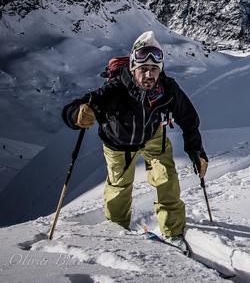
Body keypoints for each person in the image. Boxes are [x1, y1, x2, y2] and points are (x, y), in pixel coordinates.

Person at [61, 31, 208, 249]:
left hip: (152, 137)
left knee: (167, 179)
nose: (149, 75)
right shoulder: (116, 89)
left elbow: (188, 119)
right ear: (132, 67)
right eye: (144, 69)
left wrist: (196, 151)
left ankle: (173, 232)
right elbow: (75, 108)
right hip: (118, 143)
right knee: (119, 188)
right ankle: (118, 230)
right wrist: (77, 114)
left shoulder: (167, 89)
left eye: (154, 69)